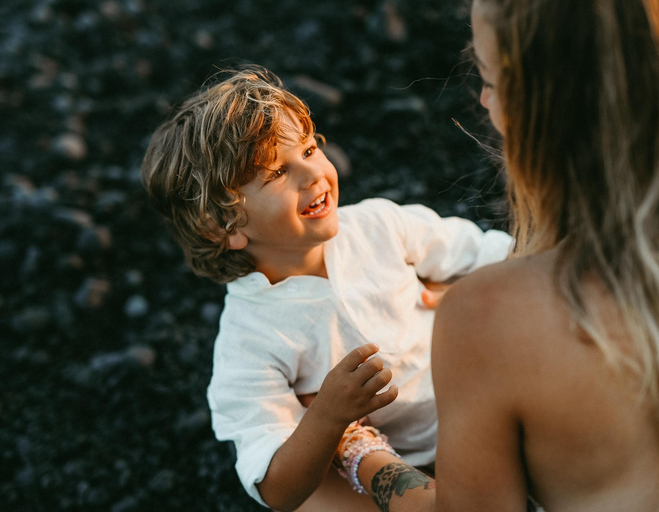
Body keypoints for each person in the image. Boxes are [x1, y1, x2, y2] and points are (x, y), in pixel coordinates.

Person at [348, 0, 659, 511]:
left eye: (489, 79)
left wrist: (359, 453)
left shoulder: (488, 320)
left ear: (549, 109)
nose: (486, 103)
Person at [139, 65, 514, 511]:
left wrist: (461, 295)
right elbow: (275, 487)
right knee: (313, 497)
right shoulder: (249, 340)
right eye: (277, 173)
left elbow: (500, 254)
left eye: (311, 148)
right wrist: (329, 416)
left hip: (489, 404)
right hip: (392, 466)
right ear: (224, 224)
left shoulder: (379, 226)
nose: (313, 174)